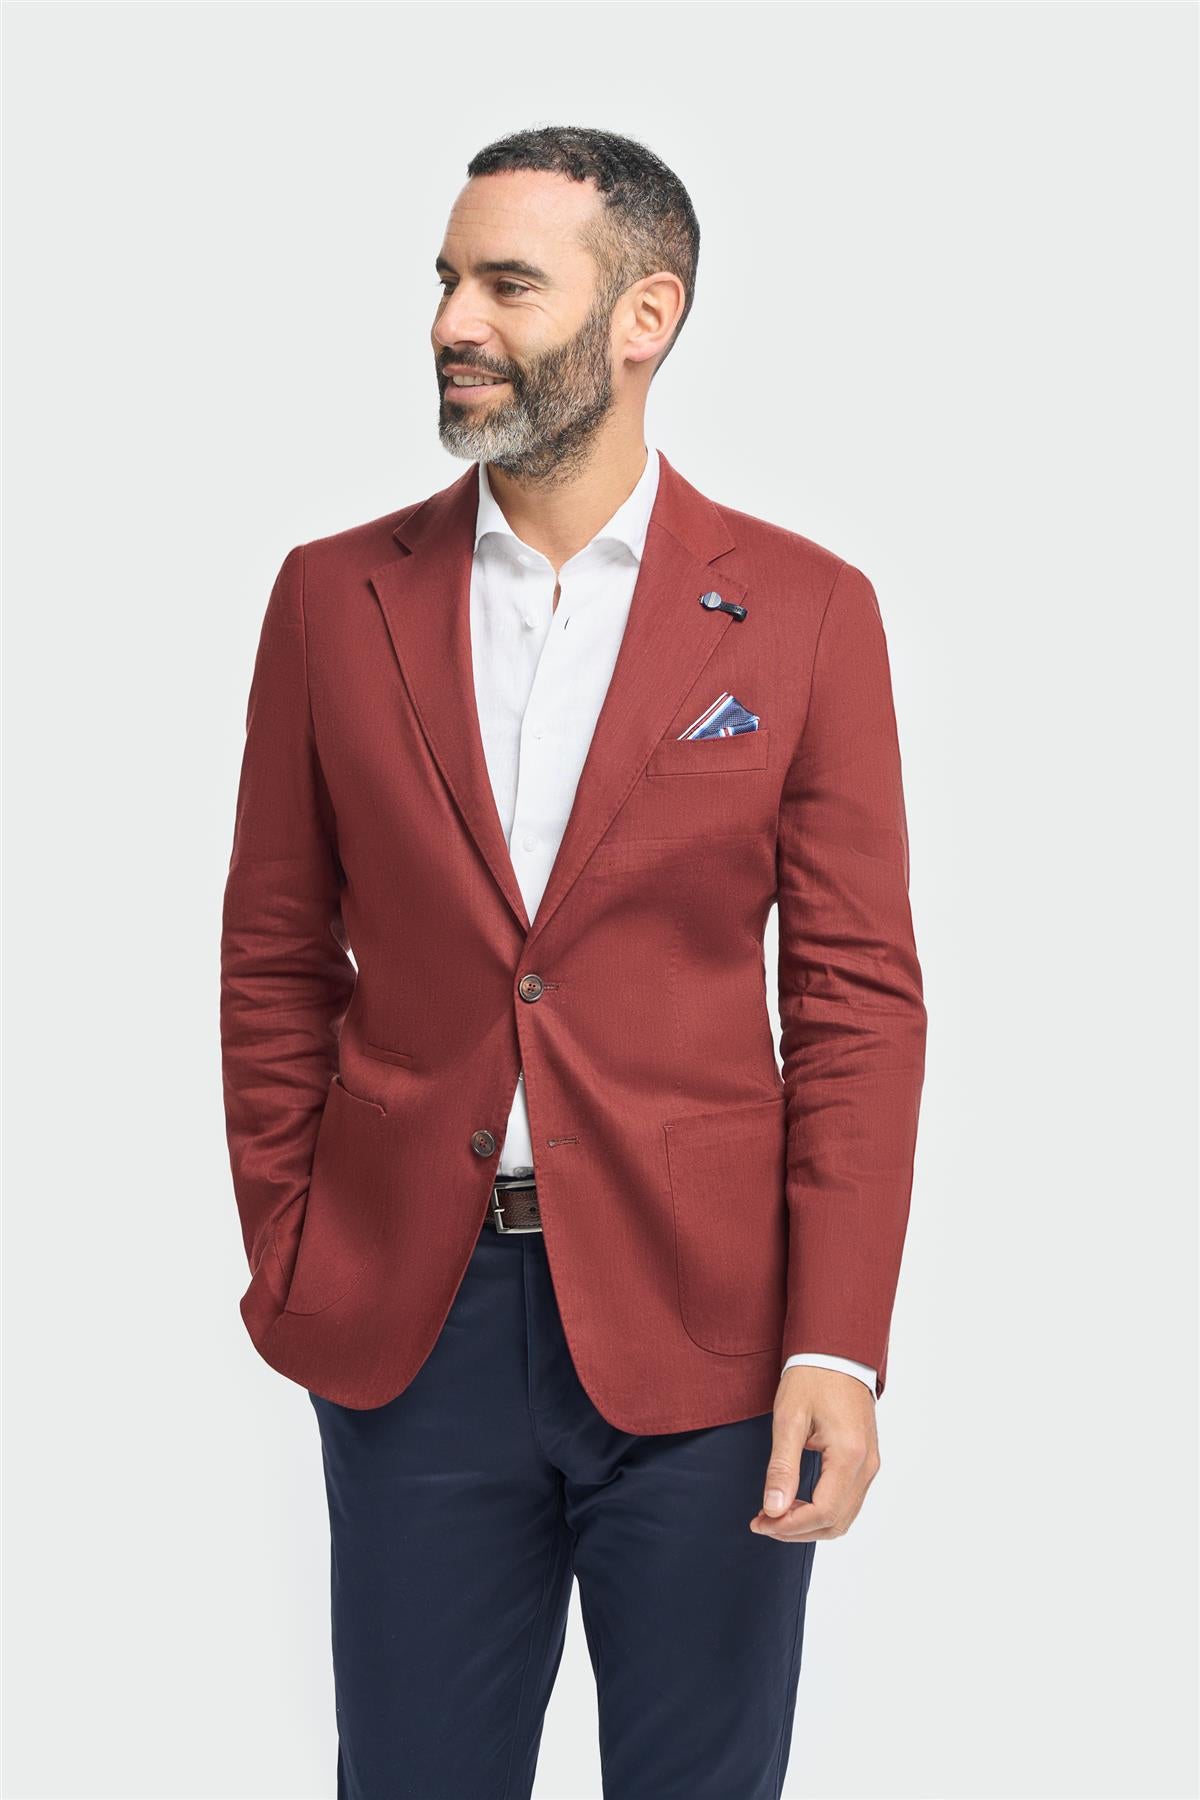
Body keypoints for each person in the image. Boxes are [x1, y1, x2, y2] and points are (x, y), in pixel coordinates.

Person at [220, 124, 927, 1800]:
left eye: (508, 285)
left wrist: (835, 1343)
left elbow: (855, 1001)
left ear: (644, 317)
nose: (453, 321)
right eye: (446, 281)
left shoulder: (806, 610)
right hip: (415, 1320)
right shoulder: (332, 597)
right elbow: (271, 958)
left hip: (711, 1336)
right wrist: (296, 1241)